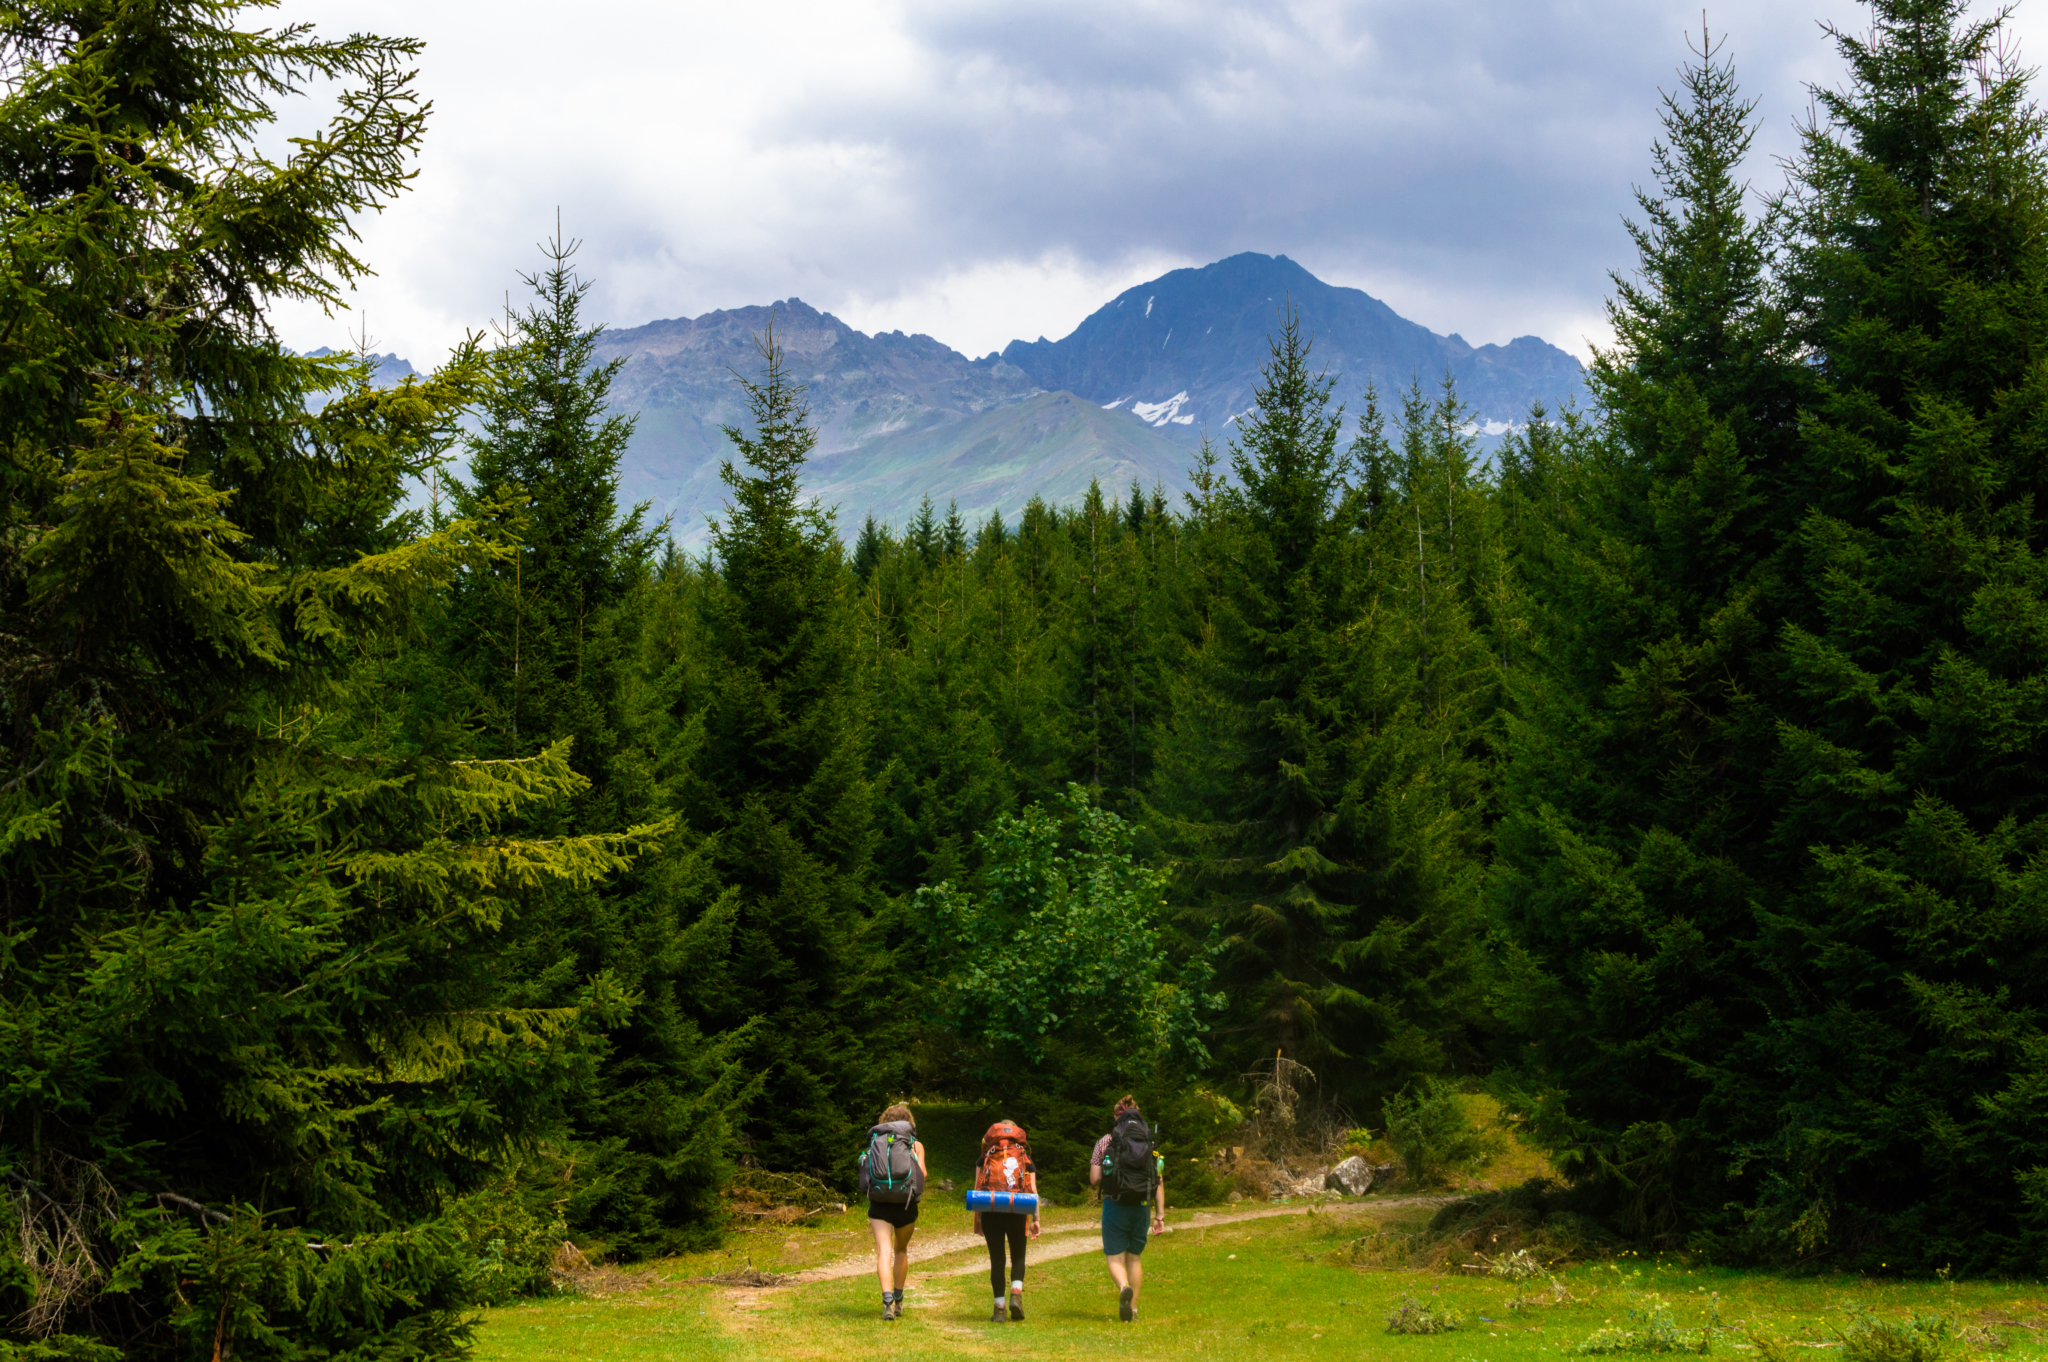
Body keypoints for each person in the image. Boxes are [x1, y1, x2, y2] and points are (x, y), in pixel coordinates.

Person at [1089, 1094, 1166, 1323]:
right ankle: (1132, 1311)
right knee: (1135, 1258)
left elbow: (1094, 1179)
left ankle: (1123, 1287)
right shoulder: (1150, 1142)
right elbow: (1157, 1180)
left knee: (1114, 1257)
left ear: (1116, 1116)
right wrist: (1160, 1215)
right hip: (1141, 1207)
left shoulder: (1105, 1141)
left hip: (1115, 1204)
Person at [969, 1120, 1041, 1322]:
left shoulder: (985, 1157)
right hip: (1018, 1209)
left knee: (997, 1259)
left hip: (991, 1210)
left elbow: (978, 1189)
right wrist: (1036, 1220)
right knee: (1018, 1256)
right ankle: (1016, 1295)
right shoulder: (1024, 1156)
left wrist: (978, 1220)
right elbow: (1033, 1191)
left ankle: (999, 1309)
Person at [863, 1103, 927, 1320]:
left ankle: (887, 1302)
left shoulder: (876, 1142)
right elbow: (923, 1174)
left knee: (884, 1251)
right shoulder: (914, 1144)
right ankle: (899, 1301)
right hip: (906, 1205)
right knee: (901, 1251)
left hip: (879, 1203)